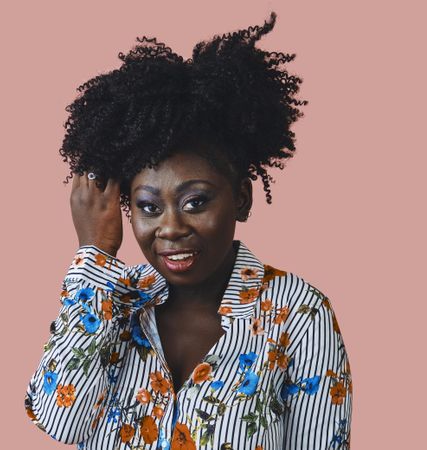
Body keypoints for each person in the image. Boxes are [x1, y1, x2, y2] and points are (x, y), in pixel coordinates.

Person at [24, 11, 352, 450]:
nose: (171, 228)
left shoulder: (300, 315)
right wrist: (94, 254)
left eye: (195, 202)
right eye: (148, 207)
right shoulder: (112, 300)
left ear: (241, 198)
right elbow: (59, 420)